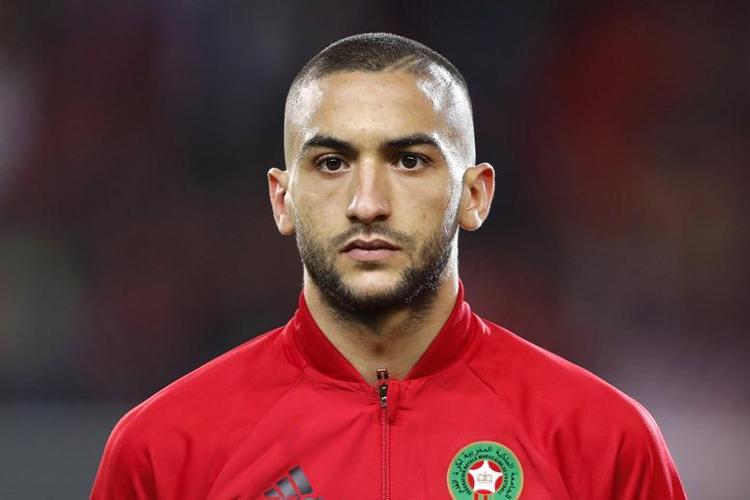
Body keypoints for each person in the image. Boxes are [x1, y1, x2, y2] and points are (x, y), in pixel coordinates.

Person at [91, 33, 686, 500]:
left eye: (408, 160)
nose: (367, 203)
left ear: (475, 195)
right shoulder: (165, 450)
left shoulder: (602, 442)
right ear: (282, 199)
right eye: (331, 163)